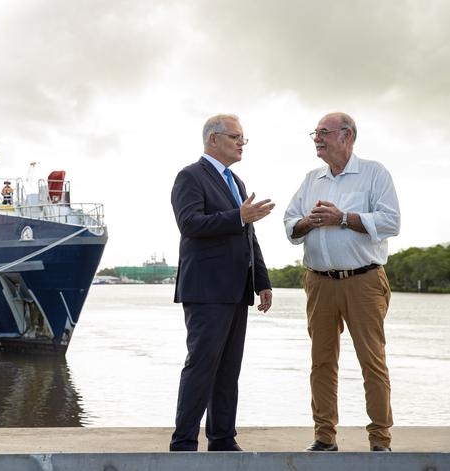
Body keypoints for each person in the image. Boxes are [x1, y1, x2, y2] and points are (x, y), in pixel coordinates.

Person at [283, 112, 401, 452]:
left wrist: (343, 219)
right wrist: (309, 221)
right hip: (318, 283)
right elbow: (290, 224)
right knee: (321, 362)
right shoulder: (311, 179)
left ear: (346, 136)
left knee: (371, 361)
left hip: (363, 281)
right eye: (315, 133)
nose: (317, 138)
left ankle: (380, 441)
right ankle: (324, 437)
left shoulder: (374, 173)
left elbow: (391, 221)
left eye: (324, 132)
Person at [169, 114, 274, 452]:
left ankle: (223, 440)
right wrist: (238, 216)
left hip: (236, 288)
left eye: (244, 138)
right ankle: (183, 444)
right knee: (202, 366)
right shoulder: (190, 176)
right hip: (206, 289)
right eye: (235, 136)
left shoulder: (237, 182)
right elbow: (189, 223)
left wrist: (262, 280)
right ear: (213, 139)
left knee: (228, 370)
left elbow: (249, 235)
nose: (241, 142)